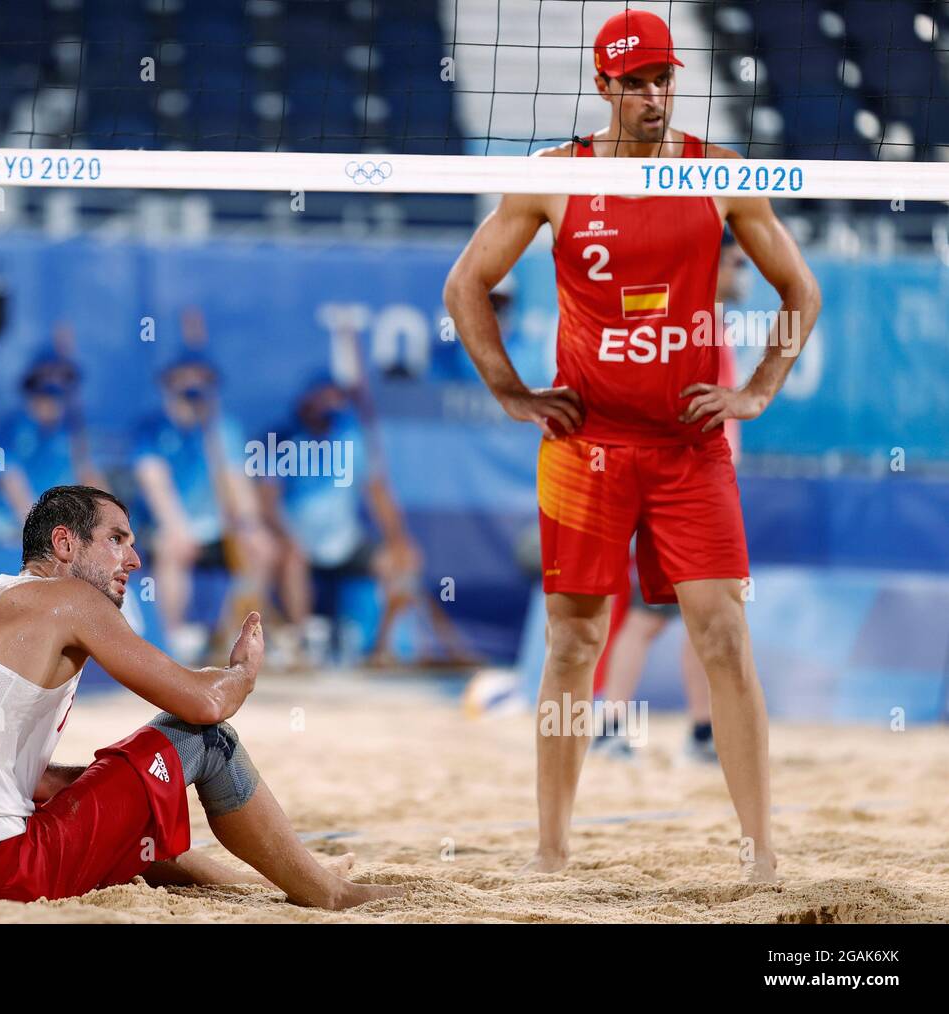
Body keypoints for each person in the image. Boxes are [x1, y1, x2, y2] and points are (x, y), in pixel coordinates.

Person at [442, 10, 821, 882]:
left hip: (691, 447)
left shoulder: (718, 175)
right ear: (605, 86)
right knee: (574, 644)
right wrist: (510, 391)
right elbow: (466, 285)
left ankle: (761, 854)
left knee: (723, 634)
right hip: (587, 446)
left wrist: (759, 390)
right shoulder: (554, 179)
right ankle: (550, 850)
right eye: (636, 82)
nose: (653, 96)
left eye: (664, 80)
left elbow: (800, 287)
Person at [0, 485, 401, 909]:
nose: (136, 558)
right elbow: (203, 704)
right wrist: (242, 672)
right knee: (205, 742)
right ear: (64, 544)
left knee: (135, 805)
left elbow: (27, 779)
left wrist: (119, 783)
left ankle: (259, 885)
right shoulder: (70, 599)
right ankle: (328, 892)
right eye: (118, 540)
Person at [594, 234, 752, 763]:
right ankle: (611, 722)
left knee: (705, 619)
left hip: (705, 489)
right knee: (651, 617)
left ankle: (702, 731)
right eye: (737, 261)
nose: (744, 273)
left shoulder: (713, 325)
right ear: (714, 263)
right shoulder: (683, 325)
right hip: (683, 491)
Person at [260, 373, 472, 665]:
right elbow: (266, 501)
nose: (329, 407)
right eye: (322, 398)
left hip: (346, 541)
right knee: (291, 559)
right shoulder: (282, 440)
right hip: (298, 542)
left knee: (400, 562)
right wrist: (285, 537)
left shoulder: (351, 440)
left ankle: (382, 650)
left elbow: (378, 495)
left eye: (335, 399)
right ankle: (301, 644)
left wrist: (398, 540)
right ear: (306, 402)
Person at [132, 351, 276, 662]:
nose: (192, 384)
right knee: (172, 548)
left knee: (260, 549)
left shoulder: (224, 429)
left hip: (218, 526)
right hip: (167, 524)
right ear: (169, 383)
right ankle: (170, 642)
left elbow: (238, 483)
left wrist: (250, 525)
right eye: (185, 377)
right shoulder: (151, 429)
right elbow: (154, 482)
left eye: (200, 378)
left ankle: (232, 639)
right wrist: (177, 528)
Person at [0, 340, 103, 544]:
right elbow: (11, 485)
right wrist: (44, 534)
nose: (57, 385)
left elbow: (89, 477)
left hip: (60, 532)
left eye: (65, 379)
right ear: (34, 380)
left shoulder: (71, 429)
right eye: (50, 377)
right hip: (9, 532)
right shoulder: (10, 427)